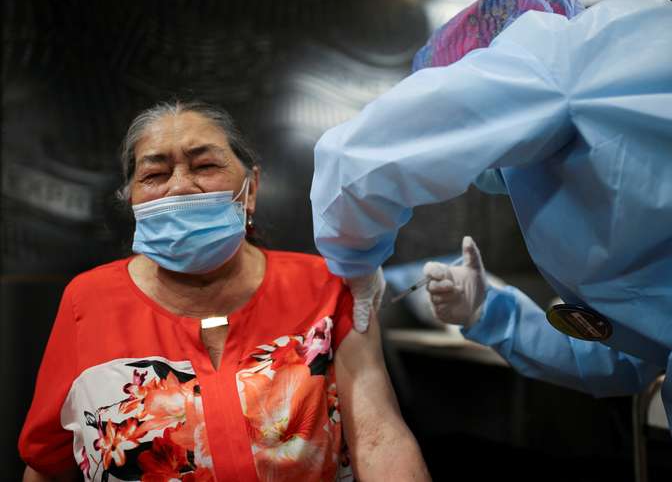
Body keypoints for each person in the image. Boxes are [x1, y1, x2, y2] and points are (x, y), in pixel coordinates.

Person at [310, 0, 672, 482]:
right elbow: (631, 356)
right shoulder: (624, 123)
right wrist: (492, 313)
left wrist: (355, 263)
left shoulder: (561, 56)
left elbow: (358, 163)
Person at [19, 101, 430, 482]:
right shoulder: (87, 301)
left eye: (204, 165)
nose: (179, 186)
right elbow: (48, 464)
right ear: (131, 200)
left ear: (250, 189)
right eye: (155, 174)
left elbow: (379, 439)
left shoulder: (327, 285)